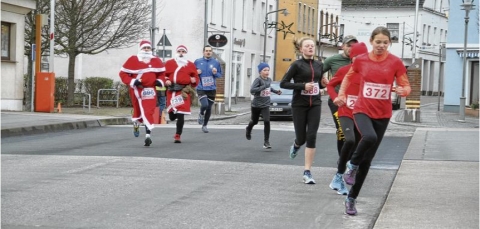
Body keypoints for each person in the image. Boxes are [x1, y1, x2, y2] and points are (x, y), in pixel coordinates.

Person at [335, 26, 411, 215]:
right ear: (371, 41)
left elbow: (406, 85)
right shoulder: (361, 60)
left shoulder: (395, 63)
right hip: (362, 109)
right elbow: (348, 78)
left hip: (383, 114)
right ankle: (351, 166)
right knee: (369, 137)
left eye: (385, 42)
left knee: (367, 161)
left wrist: (404, 91)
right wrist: (343, 94)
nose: (381, 45)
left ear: (389, 44)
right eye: (378, 42)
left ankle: (351, 198)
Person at [280, 37, 329, 184]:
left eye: (312, 46)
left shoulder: (320, 65)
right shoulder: (296, 65)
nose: (310, 48)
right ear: (301, 49)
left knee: (312, 136)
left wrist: (323, 85)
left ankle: (307, 172)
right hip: (299, 105)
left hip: (315, 104)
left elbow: (318, 84)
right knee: (301, 138)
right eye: (307, 46)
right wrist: (302, 86)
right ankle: (296, 145)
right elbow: (284, 83)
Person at [326, 42, 369, 196]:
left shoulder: (368, 72)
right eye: (357, 56)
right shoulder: (344, 70)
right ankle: (338, 175)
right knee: (348, 140)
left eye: (363, 56)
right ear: (352, 58)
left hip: (361, 114)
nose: (360, 59)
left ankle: (342, 179)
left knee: (357, 147)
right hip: (345, 112)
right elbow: (330, 86)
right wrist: (336, 97)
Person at [119, 40, 165, 147]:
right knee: (139, 110)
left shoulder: (156, 60)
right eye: (144, 48)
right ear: (140, 49)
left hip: (150, 90)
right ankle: (136, 123)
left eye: (148, 48)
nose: (146, 50)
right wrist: (132, 81)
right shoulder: (133, 60)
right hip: (137, 89)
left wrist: (160, 81)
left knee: (148, 111)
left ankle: (148, 136)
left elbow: (162, 74)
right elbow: (123, 73)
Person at [322, 35, 359, 161]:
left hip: (356, 102)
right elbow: (317, 72)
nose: (351, 48)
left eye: (354, 46)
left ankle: (352, 158)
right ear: (342, 46)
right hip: (337, 101)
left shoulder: (361, 60)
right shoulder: (333, 60)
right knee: (342, 130)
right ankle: (342, 159)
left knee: (356, 131)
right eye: (348, 45)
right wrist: (321, 80)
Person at [164, 45, 200, 143]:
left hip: (183, 91)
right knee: (171, 115)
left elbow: (196, 78)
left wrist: (193, 80)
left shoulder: (190, 65)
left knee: (181, 114)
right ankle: (173, 113)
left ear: (185, 53)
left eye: (183, 51)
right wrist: (166, 80)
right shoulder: (169, 63)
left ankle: (177, 135)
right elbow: (164, 75)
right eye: (179, 51)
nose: (181, 53)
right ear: (176, 52)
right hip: (172, 91)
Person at [245, 62, 282, 149]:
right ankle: (248, 129)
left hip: (265, 104)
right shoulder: (258, 80)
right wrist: (262, 87)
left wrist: (276, 91)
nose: (267, 72)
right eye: (265, 70)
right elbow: (252, 90)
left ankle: (266, 142)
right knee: (255, 121)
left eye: (268, 70)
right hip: (256, 105)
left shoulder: (269, 80)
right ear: (260, 72)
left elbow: (269, 88)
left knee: (267, 121)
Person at [194, 45, 223, 133]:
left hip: (211, 88)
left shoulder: (216, 62)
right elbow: (191, 73)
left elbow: (220, 75)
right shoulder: (197, 62)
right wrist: (196, 72)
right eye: (206, 50)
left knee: (209, 108)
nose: (208, 52)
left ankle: (205, 125)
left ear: (212, 52)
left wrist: (215, 73)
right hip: (201, 87)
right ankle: (201, 113)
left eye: (210, 51)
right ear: (203, 52)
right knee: (205, 105)